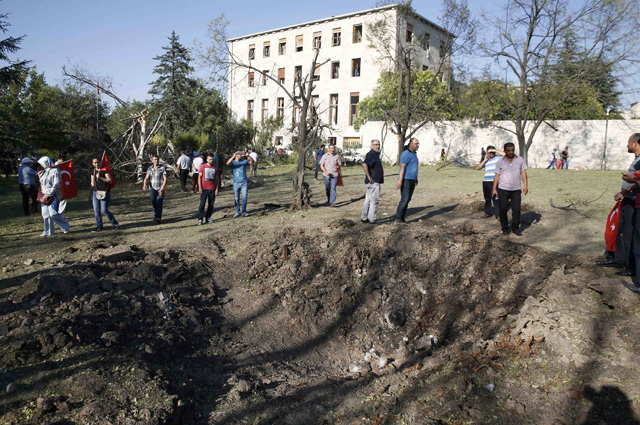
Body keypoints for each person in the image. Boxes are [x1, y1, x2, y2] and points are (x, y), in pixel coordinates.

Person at [597, 134, 640, 271]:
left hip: (633, 202)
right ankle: (617, 258)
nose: (626, 145)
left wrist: (631, 181)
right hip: (627, 199)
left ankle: (629, 266)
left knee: (628, 233)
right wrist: (624, 192)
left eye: (628, 142)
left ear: (635, 144)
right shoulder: (636, 159)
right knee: (618, 229)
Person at [492, 142, 528, 236]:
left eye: (512, 150)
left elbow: (523, 173)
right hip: (503, 188)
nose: (511, 152)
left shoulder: (520, 160)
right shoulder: (500, 161)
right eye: (508, 150)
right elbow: (497, 175)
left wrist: (525, 186)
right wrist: (494, 189)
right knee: (503, 209)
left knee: (516, 209)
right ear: (505, 151)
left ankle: (515, 228)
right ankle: (504, 228)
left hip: (516, 189)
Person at [37, 156, 70, 236]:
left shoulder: (55, 171)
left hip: (53, 196)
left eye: (42, 164)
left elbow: (56, 184)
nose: (42, 166)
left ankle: (65, 227)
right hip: (43, 195)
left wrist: (48, 194)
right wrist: (40, 177)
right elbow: (43, 184)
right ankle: (48, 231)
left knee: (53, 213)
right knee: (45, 215)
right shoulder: (44, 172)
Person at [476, 145, 504, 219]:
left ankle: (498, 215)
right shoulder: (487, 160)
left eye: (492, 152)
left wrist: (495, 150)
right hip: (486, 181)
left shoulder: (498, 158)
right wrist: (484, 160)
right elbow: (478, 168)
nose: (491, 153)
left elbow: (506, 154)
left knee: (495, 198)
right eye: (489, 152)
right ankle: (488, 212)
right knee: (487, 198)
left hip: (494, 181)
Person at [91, 157, 119, 231]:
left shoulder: (104, 170)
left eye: (97, 162)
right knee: (96, 210)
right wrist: (91, 191)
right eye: (95, 163)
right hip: (95, 192)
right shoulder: (93, 171)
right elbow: (92, 182)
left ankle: (114, 223)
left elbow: (110, 181)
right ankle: (99, 226)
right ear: (92, 164)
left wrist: (100, 178)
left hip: (104, 192)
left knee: (104, 210)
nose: (96, 164)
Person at [395, 138, 420, 223]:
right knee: (405, 199)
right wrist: (400, 180)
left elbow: (413, 167)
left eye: (418, 144)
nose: (417, 145)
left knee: (408, 199)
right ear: (411, 144)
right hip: (406, 179)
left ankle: (402, 218)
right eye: (416, 144)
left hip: (412, 179)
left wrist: (416, 178)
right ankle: (398, 218)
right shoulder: (406, 154)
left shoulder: (414, 154)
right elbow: (402, 168)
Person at [361, 140, 384, 224]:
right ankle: (372, 219)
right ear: (371, 145)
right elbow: (364, 164)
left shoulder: (374, 154)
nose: (377, 146)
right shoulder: (372, 154)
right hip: (373, 182)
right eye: (375, 145)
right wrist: (369, 176)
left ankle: (364, 218)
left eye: (378, 145)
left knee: (368, 200)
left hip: (372, 182)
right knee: (374, 201)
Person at [227, 150, 254, 217]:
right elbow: (227, 163)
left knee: (244, 197)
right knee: (236, 198)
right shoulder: (233, 162)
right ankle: (237, 212)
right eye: (238, 154)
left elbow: (252, 161)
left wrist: (248, 155)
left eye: (240, 154)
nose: (240, 155)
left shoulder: (243, 162)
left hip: (244, 182)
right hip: (236, 183)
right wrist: (233, 156)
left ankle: (244, 212)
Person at [142, 155, 167, 224]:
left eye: (157, 159)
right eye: (155, 159)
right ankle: (155, 216)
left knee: (159, 202)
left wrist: (162, 188)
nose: (156, 161)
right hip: (152, 188)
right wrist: (144, 184)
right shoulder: (149, 168)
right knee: (154, 203)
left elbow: (165, 179)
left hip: (160, 188)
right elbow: (146, 177)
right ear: (152, 160)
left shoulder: (162, 168)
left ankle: (158, 217)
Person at [197, 152, 221, 225]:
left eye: (212, 159)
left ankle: (208, 217)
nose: (211, 161)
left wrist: (217, 189)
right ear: (207, 159)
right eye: (210, 159)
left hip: (212, 189)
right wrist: (200, 187)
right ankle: (200, 219)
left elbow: (217, 179)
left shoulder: (215, 168)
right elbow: (199, 177)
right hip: (204, 189)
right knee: (202, 204)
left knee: (211, 204)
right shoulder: (203, 166)